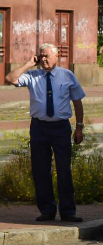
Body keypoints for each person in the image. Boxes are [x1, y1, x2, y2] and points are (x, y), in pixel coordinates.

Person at [5, 44, 85, 222]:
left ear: (57, 56)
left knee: (64, 169)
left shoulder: (67, 75)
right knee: (41, 170)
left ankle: (68, 211)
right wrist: (28, 63)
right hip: (39, 127)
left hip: (61, 127)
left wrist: (79, 127)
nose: (44, 59)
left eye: (47, 56)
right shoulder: (33, 76)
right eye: (41, 56)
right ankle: (47, 210)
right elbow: (10, 78)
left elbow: (78, 102)